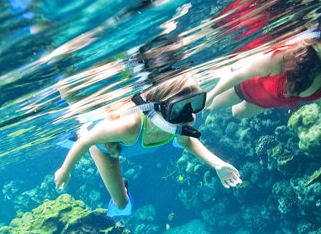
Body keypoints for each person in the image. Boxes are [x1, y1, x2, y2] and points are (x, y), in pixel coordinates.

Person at [54, 74, 242, 216]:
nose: (187, 114)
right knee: (121, 204)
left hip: (125, 143)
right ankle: (78, 116)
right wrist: (65, 170)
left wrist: (218, 165)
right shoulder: (130, 126)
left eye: (193, 104)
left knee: (121, 204)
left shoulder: (185, 119)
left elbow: (187, 140)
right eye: (178, 108)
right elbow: (86, 142)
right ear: (158, 107)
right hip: (104, 147)